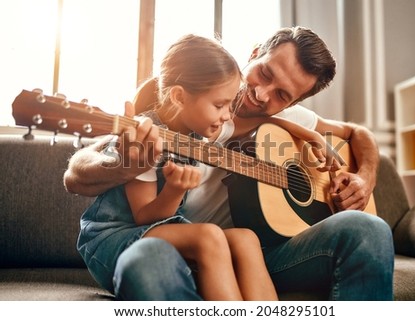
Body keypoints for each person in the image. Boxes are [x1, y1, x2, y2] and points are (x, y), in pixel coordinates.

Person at [64, 26, 394, 300]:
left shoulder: (284, 118)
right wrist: (128, 167)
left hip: (260, 251)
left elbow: (357, 133)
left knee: (369, 229)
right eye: (264, 73)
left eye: (282, 96)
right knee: (162, 256)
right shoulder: (188, 93)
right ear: (253, 54)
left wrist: (363, 179)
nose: (263, 95)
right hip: (179, 244)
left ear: (293, 103)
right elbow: (84, 167)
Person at [76, 34, 282, 300]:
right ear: (179, 97)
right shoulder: (143, 136)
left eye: (230, 104)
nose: (228, 115)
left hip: (163, 231)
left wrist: (310, 134)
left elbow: (252, 124)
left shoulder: (194, 134)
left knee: (246, 239)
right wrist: (174, 189)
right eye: (220, 105)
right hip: (114, 238)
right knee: (208, 235)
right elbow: (145, 217)